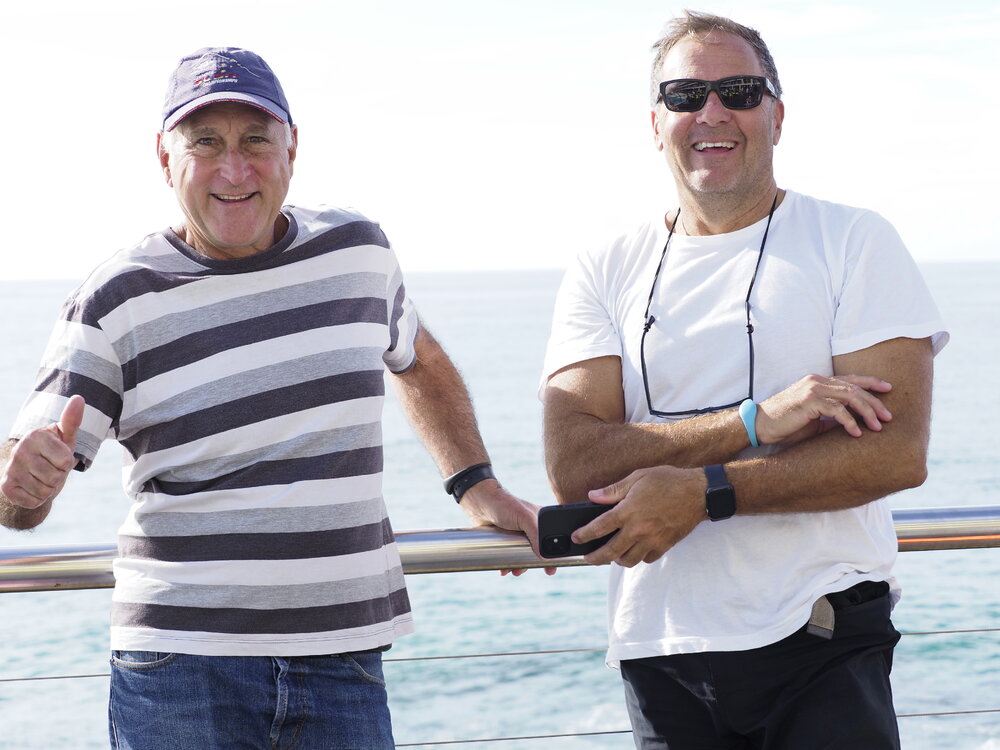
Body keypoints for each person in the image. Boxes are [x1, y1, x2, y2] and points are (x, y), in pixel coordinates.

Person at [0, 46, 546, 750]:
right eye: (206, 144)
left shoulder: (358, 252)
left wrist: (477, 487)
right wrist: (22, 482)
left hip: (345, 660)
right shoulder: (117, 298)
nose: (235, 170)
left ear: (293, 149)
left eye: (256, 140)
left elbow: (421, 360)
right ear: (165, 161)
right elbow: (21, 498)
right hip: (182, 670)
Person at [540, 11, 948, 749]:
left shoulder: (853, 240)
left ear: (778, 115)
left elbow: (895, 455)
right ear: (655, 120)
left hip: (819, 638)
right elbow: (574, 462)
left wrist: (704, 493)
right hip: (661, 649)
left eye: (738, 90)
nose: (712, 112)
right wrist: (757, 422)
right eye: (686, 94)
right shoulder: (604, 265)